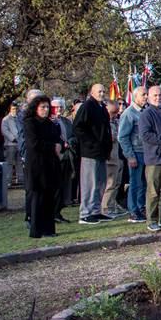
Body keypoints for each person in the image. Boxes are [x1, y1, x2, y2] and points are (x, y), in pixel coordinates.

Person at [72, 84, 113, 225]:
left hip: (101, 152)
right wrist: (91, 143)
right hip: (90, 152)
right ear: (92, 92)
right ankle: (85, 213)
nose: (102, 93)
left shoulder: (102, 108)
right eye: (99, 91)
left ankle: (96, 211)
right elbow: (78, 127)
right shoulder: (87, 106)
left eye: (103, 91)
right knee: (90, 182)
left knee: (100, 182)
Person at [23, 95, 61, 239]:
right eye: (42, 107)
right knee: (37, 196)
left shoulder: (50, 124)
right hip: (36, 164)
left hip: (49, 163)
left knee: (49, 196)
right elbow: (33, 144)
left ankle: (48, 229)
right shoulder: (30, 123)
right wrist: (52, 146)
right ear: (36, 108)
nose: (45, 110)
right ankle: (36, 229)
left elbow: (56, 138)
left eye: (47, 107)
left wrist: (58, 145)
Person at [138, 86, 161, 231]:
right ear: (149, 97)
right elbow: (146, 136)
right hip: (155, 158)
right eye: (155, 95)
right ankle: (151, 220)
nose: (158, 98)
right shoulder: (146, 114)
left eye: (160, 95)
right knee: (153, 192)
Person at [117, 87, 148, 222]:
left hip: (146, 152)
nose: (146, 97)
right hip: (135, 152)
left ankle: (141, 208)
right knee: (134, 183)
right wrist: (130, 155)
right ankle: (133, 210)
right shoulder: (129, 113)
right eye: (143, 94)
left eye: (146, 94)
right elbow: (122, 137)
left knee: (144, 183)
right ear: (135, 97)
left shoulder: (145, 112)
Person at [100, 102, 126, 217]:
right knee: (109, 184)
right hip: (109, 158)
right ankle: (105, 208)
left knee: (117, 183)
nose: (115, 115)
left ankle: (112, 205)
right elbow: (113, 137)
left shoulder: (116, 121)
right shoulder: (104, 123)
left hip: (118, 156)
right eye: (112, 112)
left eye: (116, 112)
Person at [1, 103, 21, 186]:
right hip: (10, 144)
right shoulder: (6, 119)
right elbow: (5, 131)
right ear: (10, 109)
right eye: (13, 109)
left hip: (20, 144)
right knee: (9, 163)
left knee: (19, 162)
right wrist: (13, 138)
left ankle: (20, 180)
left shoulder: (20, 118)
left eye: (16, 109)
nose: (15, 110)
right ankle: (8, 181)